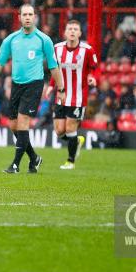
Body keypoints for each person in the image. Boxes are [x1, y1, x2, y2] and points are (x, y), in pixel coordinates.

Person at [0, 4, 65, 174]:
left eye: (30, 14)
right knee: (13, 125)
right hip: (16, 85)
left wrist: (61, 89)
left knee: (23, 121)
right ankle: (34, 158)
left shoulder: (44, 40)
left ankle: (15, 164)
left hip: (34, 84)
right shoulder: (11, 40)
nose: (28, 17)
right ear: (19, 17)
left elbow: (53, 66)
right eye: (24, 14)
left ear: (35, 17)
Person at [44, 20, 97, 169]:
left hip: (78, 97)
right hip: (61, 95)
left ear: (80, 33)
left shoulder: (87, 50)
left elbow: (94, 69)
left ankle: (70, 161)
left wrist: (92, 77)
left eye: (75, 29)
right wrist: (51, 86)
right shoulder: (57, 49)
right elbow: (55, 70)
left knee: (70, 128)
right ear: (65, 32)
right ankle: (77, 141)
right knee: (59, 131)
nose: (72, 31)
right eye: (70, 29)